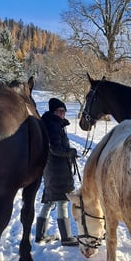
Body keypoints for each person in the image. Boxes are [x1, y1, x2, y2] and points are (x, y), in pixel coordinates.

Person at [36, 97, 78, 246]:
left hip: (52, 168)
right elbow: (55, 148)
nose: (62, 114)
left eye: (64, 112)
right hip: (57, 168)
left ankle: (40, 235)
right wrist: (69, 152)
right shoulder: (53, 125)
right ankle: (66, 237)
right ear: (53, 112)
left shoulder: (51, 123)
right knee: (62, 201)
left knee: (49, 201)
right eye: (60, 111)